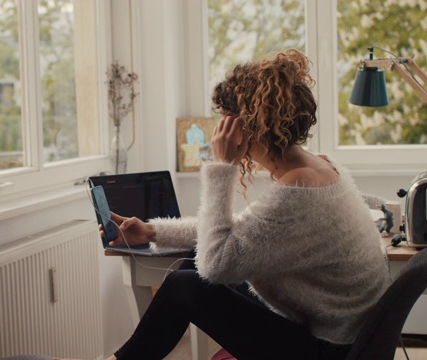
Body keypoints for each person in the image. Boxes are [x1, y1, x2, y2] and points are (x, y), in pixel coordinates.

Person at [103, 49, 391, 360]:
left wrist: (222, 168)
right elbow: (239, 232)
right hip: (346, 336)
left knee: (182, 285)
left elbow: (216, 263)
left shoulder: (300, 188)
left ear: (248, 126)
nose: (220, 132)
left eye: (225, 122)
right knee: (189, 268)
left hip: (331, 351)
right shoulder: (317, 166)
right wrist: (151, 231)